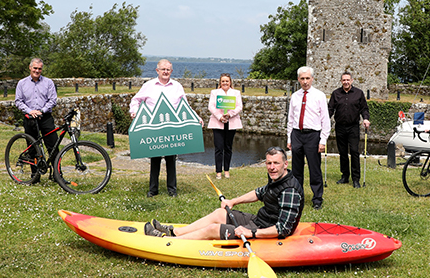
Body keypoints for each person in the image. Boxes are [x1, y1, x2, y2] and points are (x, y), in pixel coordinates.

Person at [144, 147, 304, 240]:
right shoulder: (278, 178)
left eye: (276, 163)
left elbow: (283, 229)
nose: (272, 167)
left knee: (212, 229)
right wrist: (233, 201)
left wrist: (251, 232)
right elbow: (259, 193)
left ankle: (170, 241)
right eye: (269, 163)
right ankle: (175, 231)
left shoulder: (290, 190)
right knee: (220, 213)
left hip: (266, 231)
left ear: (285, 164)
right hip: (260, 221)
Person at [129, 59, 202, 197]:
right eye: (163, 69)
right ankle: (153, 190)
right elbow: (136, 100)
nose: (165, 72)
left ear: (171, 71)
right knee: (155, 160)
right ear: (157, 70)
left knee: (171, 160)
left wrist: (196, 117)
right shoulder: (148, 85)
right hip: (154, 128)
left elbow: (185, 106)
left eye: (168, 69)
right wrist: (135, 112)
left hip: (172, 129)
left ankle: (172, 190)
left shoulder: (177, 86)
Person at [287, 66, 331, 210]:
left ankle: (317, 198)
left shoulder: (319, 95)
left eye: (307, 78)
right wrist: (289, 138)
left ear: (312, 78)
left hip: (313, 135)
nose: (305, 81)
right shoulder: (295, 96)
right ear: (298, 79)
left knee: (314, 169)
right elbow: (291, 118)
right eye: (302, 78)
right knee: (296, 170)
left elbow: (325, 119)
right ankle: (298, 198)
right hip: (297, 134)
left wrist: (323, 140)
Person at [15, 58, 58, 182]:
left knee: (53, 145)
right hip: (30, 118)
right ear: (30, 68)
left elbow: (52, 100)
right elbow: (18, 101)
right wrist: (30, 111)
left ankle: (57, 175)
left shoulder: (48, 82)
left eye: (39, 69)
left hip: (45, 117)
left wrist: (42, 110)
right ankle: (35, 176)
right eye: (35, 68)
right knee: (32, 147)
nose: (37, 71)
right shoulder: (22, 83)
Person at [328, 72, 370, 189]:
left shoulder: (358, 93)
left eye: (348, 80)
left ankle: (356, 179)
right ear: (341, 81)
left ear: (351, 80)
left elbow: (364, 108)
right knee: (342, 152)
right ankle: (345, 176)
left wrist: (365, 119)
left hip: (353, 127)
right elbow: (330, 109)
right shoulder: (336, 93)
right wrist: (325, 119)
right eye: (343, 80)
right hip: (340, 126)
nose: (346, 82)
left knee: (354, 151)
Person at [207, 73, 243, 179]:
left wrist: (230, 114)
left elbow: (239, 106)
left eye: (227, 81)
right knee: (218, 148)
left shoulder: (236, 93)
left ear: (230, 82)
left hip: (231, 122)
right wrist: (219, 116)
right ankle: (218, 171)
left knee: (228, 147)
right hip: (218, 123)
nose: (225, 83)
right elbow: (211, 106)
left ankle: (226, 170)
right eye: (223, 81)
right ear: (220, 82)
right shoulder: (214, 92)